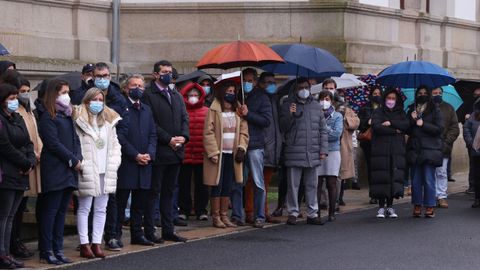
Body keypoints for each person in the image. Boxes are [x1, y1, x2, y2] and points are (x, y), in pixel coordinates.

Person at [142, 60, 189, 243]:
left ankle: (168, 229)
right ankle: (150, 230)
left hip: (176, 152)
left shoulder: (176, 95)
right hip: (160, 151)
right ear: (155, 74)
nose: (167, 75)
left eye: (169, 71)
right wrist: (168, 139)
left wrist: (183, 137)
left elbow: (184, 118)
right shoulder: (148, 94)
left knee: (169, 193)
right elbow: (151, 122)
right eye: (164, 71)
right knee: (154, 192)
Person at [73, 88, 122, 259]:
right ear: (87, 101)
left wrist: (114, 163)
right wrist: (83, 165)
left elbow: (116, 145)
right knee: (85, 208)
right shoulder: (79, 120)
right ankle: (84, 243)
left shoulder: (108, 120)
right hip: (88, 169)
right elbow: (76, 145)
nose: (98, 102)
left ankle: (97, 243)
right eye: (94, 99)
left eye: (101, 99)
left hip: (105, 170)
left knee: (102, 209)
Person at [38, 79, 82, 265]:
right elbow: (53, 144)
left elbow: (75, 140)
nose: (67, 96)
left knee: (62, 212)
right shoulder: (49, 116)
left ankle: (58, 248)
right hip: (56, 169)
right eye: (63, 92)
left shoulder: (67, 115)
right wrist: (72, 160)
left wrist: (78, 157)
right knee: (51, 212)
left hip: (68, 171)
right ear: (53, 95)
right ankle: (46, 250)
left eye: (67, 92)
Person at [279, 77, 328, 225]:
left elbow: (323, 129)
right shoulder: (288, 104)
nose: (304, 90)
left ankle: (312, 213)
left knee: (312, 184)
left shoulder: (316, 106)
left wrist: (323, 149)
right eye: (300, 88)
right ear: (295, 89)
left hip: (312, 150)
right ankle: (293, 211)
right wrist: (290, 115)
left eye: (306, 87)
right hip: (294, 150)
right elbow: (283, 127)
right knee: (293, 184)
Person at [116, 74, 157, 246]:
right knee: (120, 202)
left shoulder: (146, 109)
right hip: (128, 162)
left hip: (145, 162)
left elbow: (152, 134)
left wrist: (149, 153)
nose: (138, 89)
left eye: (141, 86)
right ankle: (115, 235)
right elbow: (120, 137)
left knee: (140, 203)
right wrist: (135, 155)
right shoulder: (121, 108)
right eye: (134, 85)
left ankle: (137, 233)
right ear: (126, 88)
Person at [203, 80, 248, 228]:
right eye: (228, 91)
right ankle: (216, 216)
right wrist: (213, 152)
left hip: (232, 154)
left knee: (228, 184)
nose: (231, 94)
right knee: (217, 184)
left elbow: (243, 131)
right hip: (219, 153)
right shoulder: (214, 109)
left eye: (233, 91)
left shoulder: (238, 109)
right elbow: (208, 132)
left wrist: (241, 147)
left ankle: (224, 215)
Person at [0, 83, 36, 269]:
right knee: (4, 216)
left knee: (11, 215)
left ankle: (7, 252)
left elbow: (28, 142)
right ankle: (2, 254)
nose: (15, 102)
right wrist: (25, 162)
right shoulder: (1, 120)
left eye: (16, 98)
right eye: (11, 98)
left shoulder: (17, 117)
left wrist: (30, 161)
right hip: (8, 173)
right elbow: (5, 147)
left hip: (21, 173)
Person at [235, 68, 272, 228]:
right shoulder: (236, 96)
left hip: (255, 144)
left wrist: (248, 114)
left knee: (258, 181)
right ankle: (238, 215)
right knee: (237, 181)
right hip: (238, 144)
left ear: (256, 82)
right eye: (245, 80)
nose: (247, 84)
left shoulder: (262, 98)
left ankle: (259, 215)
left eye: (250, 81)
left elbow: (266, 120)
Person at [245, 72, 282, 224]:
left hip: (268, 146)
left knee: (262, 183)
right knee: (250, 182)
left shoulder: (271, 99)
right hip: (256, 144)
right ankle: (250, 212)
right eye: (268, 82)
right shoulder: (252, 97)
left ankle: (262, 212)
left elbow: (271, 124)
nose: (271, 85)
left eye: (273, 82)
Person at [12, 76, 42, 259]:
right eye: (21, 91)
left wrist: (36, 152)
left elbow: (35, 134)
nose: (25, 95)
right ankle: (12, 243)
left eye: (26, 91)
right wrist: (28, 157)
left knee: (21, 207)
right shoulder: (17, 113)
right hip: (21, 164)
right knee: (13, 211)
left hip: (31, 161)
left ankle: (16, 241)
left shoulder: (29, 110)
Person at [370, 88, 409, 218]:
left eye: (393, 98)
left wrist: (391, 123)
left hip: (396, 150)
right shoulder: (378, 111)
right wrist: (394, 130)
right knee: (382, 177)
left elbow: (405, 126)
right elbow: (377, 127)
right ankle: (381, 207)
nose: (391, 101)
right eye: (389, 98)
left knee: (394, 176)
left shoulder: (401, 113)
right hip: (380, 150)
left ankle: (390, 206)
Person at [406, 86, 443, 218]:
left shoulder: (435, 109)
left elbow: (439, 129)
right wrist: (412, 119)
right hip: (415, 149)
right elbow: (407, 129)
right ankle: (417, 204)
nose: (422, 95)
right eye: (419, 93)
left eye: (424, 93)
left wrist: (423, 124)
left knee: (428, 179)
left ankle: (429, 205)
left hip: (430, 149)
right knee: (415, 180)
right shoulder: (412, 108)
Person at [178, 82, 209, 221]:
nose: (193, 97)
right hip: (185, 153)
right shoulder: (181, 111)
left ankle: (201, 209)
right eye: (190, 95)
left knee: (202, 184)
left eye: (196, 95)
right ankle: (184, 209)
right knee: (184, 184)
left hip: (201, 153)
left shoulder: (207, 111)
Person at [316, 90, 343, 222]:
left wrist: (323, 129)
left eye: (327, 99)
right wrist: (325, 131)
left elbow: (336, 135)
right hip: (318, 151)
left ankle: (332, 212)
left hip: (333, 151)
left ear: (331, 101)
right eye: (322, 99)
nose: (324, 102)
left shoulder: (337, 116)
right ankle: (317, 212)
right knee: (318, 182)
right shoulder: (315, 114)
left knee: (331, 183)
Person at [431, 87, 459, 208]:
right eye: (435, 93)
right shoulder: (426, 108)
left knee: (441, 173)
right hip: (429, 146)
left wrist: (446, 142)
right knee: (429, 173)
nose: (437, 95)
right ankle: (431, 196)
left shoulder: (449, 108)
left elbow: (454, 128)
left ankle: (441, 196)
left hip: (443, 146)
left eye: (439, 93)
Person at [358, 86, 383, 204]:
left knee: (381, 169)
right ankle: (373, 194)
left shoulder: (385, 107)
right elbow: (360, 124)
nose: (377, 95)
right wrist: (367, 121)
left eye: (378, 93)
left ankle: (381, 192)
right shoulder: (365, 107)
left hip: (382, 141)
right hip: (369, 142)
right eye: (375, 93)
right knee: (371, 169)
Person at [463, 99, 480, 207]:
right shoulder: (474, 116)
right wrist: (471, 143)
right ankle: (477, 198)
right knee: (477, 176)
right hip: (476, 151)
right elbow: (466, 128)